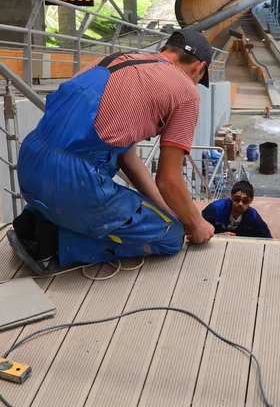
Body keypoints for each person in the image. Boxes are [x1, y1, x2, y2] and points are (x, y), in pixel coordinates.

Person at [8, 30, 215, 274]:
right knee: (170, 236)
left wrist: (167, 212)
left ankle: (34, 220)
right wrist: (196, 223)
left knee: (166, 220)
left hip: (30, 161)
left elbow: (128, 159)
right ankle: (54, 244)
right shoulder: (186, 92)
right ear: (198, 67)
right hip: (74, 184)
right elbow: (169, 180)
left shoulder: (113, 60)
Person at [201, 181, 272, 238]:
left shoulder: (253, 217)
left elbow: (268, 238)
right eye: (237, 199)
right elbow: (198, 231)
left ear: (251, 200)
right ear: (231, 197)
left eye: (245, 200)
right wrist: (218, 236)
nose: (240, 203)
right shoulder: (215, 209)